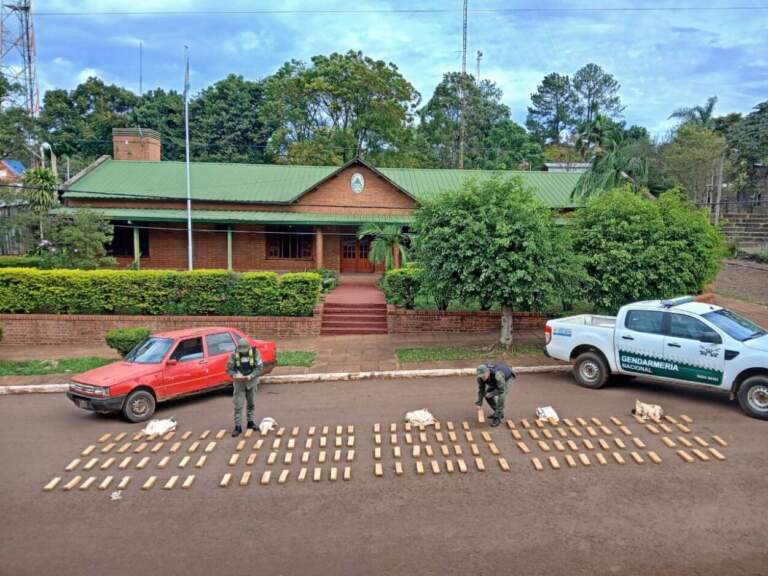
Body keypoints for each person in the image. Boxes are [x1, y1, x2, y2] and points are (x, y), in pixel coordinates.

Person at [227, 338, 263, 437]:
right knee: (238, 405)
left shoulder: (255, 353)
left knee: (251, 403)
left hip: (251, 382)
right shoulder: (234, 354)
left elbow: (259, 367)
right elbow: (229, 370)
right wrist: (234, 374)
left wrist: (251, 375)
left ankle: (250, 422)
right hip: (239, 384)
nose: (243, 353)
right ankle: (237, 426)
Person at [475, 362, 515, 427]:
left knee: (501, 397)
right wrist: (479, 403)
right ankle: (499, 412)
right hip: (494, 381)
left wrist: (491, 394)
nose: (482, 377)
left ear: (487, 372)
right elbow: (481, 390)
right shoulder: (480, 377)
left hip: (506, 379)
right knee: (487, 395)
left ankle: (497, 417)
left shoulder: (497, 375)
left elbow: (501, 390)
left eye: (483, 376)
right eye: (480, 376)